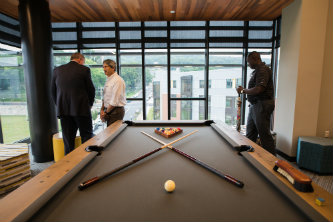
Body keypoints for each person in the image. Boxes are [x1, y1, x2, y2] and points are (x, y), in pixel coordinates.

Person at [51, 52, 95, 155]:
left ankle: (69, 164)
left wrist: (59, 105)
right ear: (80, 60)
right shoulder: (84, 70)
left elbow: (53, 91)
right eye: (83, 62)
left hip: (64, 111)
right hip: (81, 110)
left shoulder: (57, 70)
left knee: (68, 140)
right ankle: (86, 160)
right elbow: (91, 90)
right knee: (86, 137)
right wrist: (90, 104)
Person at [236, 51, 275, 155]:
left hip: (262, 105)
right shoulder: (257, 71)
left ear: (255, 59)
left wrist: (243, 90)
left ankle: (273, 162)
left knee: (264, 135)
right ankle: (249, 157)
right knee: (250, 134)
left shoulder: (263, 70)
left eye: (249, 62)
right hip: (255, 105)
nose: (248, 64)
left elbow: (259, 89)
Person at [100, 59, 126, 126]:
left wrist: (105, 113)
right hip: (109, 110)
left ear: (113, 68)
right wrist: (102, 110)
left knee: (112, 134)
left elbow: (114, 101)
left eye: (106, 67)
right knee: (109, 133)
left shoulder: (118, 80)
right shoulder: (108, 79)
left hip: (115, 112)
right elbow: (105, 97)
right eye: (103, 67)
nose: (104, 69)